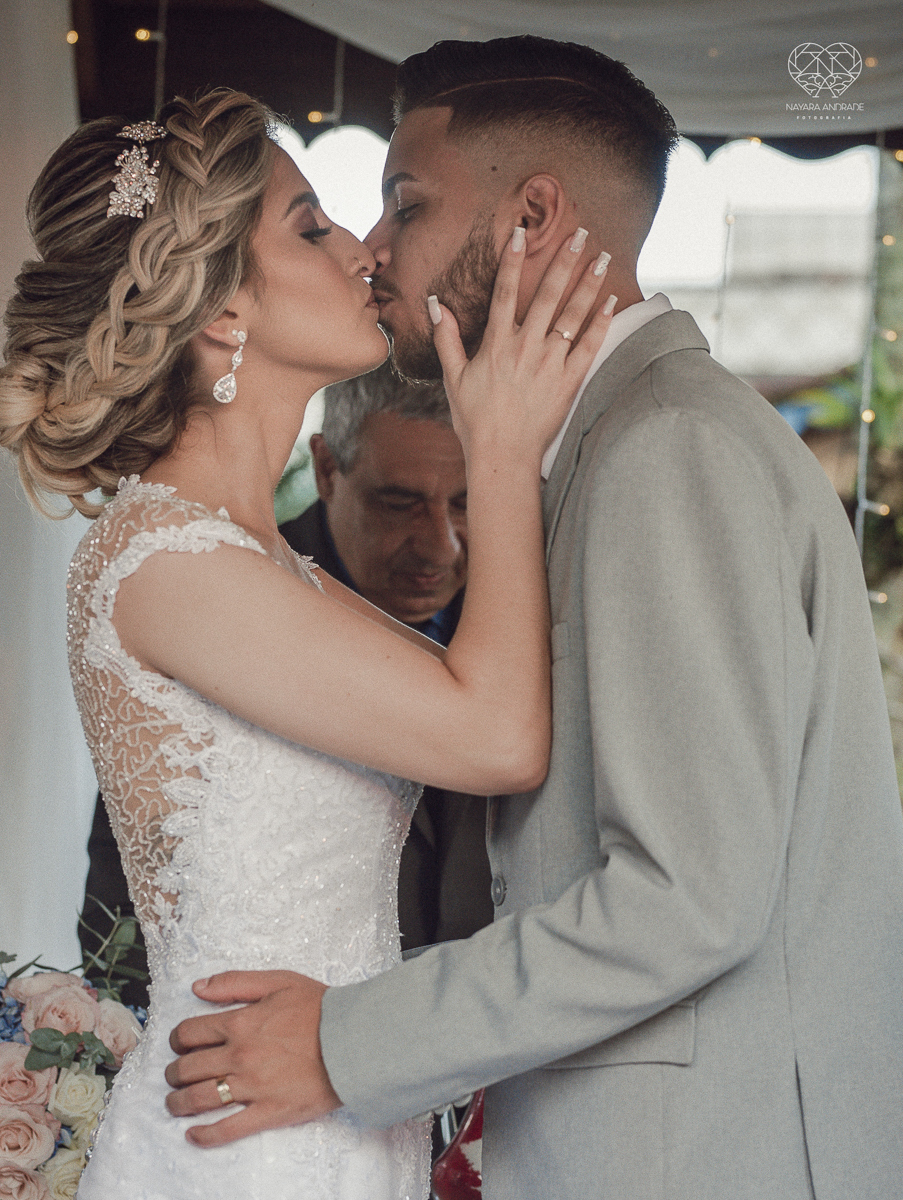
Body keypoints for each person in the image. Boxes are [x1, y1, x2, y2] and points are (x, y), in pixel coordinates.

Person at [165, 38, 903, 1200]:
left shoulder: (664, 448)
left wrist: (347, 1044)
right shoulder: (612, 445)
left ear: (535, 214)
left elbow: (686, 895)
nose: (376, 249)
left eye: (405, 203)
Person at [0, 87, 613, 1200]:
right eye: (310, 227)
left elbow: (495, 699)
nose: (362, 254)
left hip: (329, 1119)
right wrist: (505, 447)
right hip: (245, 1151)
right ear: (222, 313)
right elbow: (499, 733)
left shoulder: (267, 567)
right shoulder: (163, 561)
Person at [79, 366, 492, 996]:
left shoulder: (508, 618)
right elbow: (134, 885)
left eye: (464, 501)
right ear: (326, 470)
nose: (440, 546)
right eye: (399, 501)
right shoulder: (210, 582)